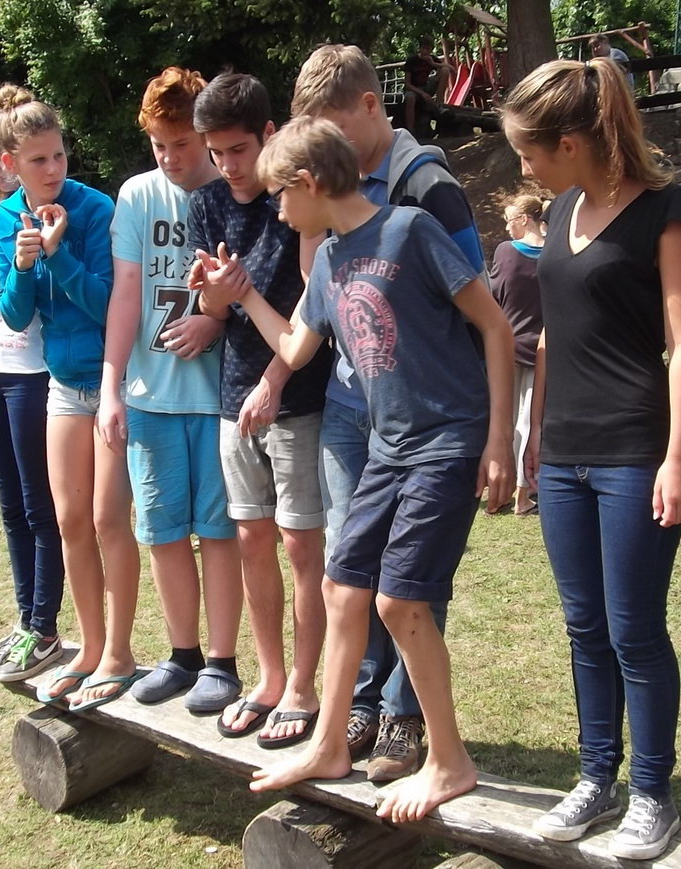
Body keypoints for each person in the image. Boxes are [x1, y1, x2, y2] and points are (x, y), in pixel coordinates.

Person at [195, 114, 513, 821]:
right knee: (343, 590)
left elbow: (494, 324)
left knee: (399, 602)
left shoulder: (410, 230)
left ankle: (449, 761)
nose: (278, 211)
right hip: (388, 449)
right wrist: (241, 296)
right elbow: (295, 345)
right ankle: (330, 744)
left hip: (448, 440)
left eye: (282, 195)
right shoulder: (332, 260)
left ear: (310, 182)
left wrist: (500, 438)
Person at [501, 57, 681, 861]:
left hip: (633, 452)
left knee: (634, 629)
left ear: (572, 142)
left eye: (529, 150)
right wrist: (533, 438)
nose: (524, 166)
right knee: (583, 624)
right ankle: (597, 778)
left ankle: (652, 794)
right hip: (564, 455)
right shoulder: (560, 212)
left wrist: (680, 458)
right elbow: (554, 336)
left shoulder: (665, 212)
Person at [290, 42, 487, 782]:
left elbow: (477, 311)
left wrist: (488, 433)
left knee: (410, 585)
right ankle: (355, 714)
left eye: (332, 127)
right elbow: (315, 318)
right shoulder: (328, 219)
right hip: (360, 410)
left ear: (371, 106)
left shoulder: (425, 192)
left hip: (435, 424)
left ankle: (410, 720)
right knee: (351, 575)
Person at [187, 72, 332, 741]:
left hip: (298, 394)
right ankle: (269, 678)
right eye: (216, 153)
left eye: (239, 150)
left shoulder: (296, 196)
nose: (228, 165)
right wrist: (215, 295)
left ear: (269, 134)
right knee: (251, 539)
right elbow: (211, 309)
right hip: (232, 398)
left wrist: (273, 381)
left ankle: (303, 686)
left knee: (302, 545)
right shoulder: (207, 204)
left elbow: (312, 308)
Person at [0, 86, 141, 710]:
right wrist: (25, 267)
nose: (53, 170)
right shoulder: (5, 219)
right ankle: (90, 646)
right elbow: (14, 316)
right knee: (70, 521)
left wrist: (57, 255)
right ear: (10, 165)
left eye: (58, 156)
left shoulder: (95, 208)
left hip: (112, 381)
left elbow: (111, 305)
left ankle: (119, 654)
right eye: (38, 161)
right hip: (61, 387)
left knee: (107, 520)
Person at [95, 67, 242, 715]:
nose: (170, 157)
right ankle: (182, 655)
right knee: (161, 531)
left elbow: (258, 286)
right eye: (159, 144)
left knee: (218, 532)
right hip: (149, 395)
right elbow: (126, 294)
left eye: (181, 143)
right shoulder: (136, 195)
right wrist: (111, 387)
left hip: (216, 399)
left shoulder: (234, 190)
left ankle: (222, 663)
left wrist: (215, 320)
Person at [0, 102, 64, 681]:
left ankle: (44, 627)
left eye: (53, 157)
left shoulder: (49, 213)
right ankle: (28, 621)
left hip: (33, 373)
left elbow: (13, 301)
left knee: (38, 505)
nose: (49, 168)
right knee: (11, 507)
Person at [488, 193, 546, 517]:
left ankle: (497, 493)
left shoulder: (506, 252)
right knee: (529, 420)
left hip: (506, 346)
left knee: (503, 420)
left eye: (510, 221)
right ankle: (523, 494)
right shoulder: (554, 253)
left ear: (524, 219)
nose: (507, 228)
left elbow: (494, 294)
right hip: (542, 348)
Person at [402, 36, 454, 135]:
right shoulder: (412, 60)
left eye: (428, 49)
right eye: (423, 48)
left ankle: (438, 105)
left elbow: (451, 68)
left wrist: (433, 64)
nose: (425, 51)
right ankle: (410, 132)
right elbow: (407, 84)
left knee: (445, 70)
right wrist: (422, 94)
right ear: (420, 48)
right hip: (413, 90)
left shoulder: (431, 59)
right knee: (410, 98)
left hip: (426, 87)